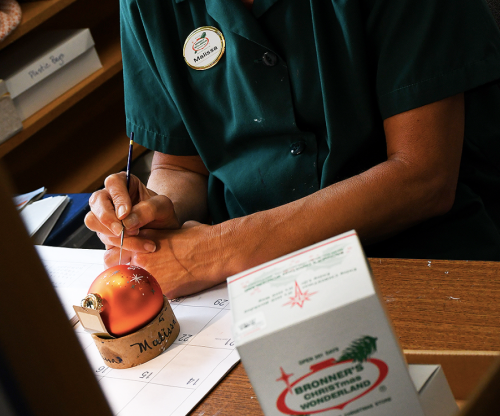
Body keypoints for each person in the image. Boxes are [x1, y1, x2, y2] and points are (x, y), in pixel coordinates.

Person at [86, 0, 500, 298]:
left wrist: (219, 251)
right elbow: (181, 164)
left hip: (419, 260)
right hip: (253, 281)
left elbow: (423, 177)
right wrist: (157, 210)